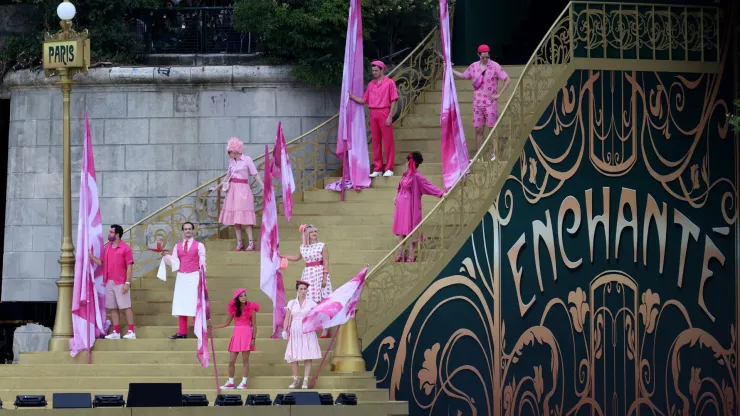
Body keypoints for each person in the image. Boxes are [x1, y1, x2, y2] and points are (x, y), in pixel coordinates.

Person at [450, 44, 511, 158]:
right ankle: (479, 155)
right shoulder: (474, 66)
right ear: (478, 55)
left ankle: (495, 153)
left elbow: (507, 79)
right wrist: (450, 69)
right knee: (478, 129)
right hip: (477, 103)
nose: (485, 59)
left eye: (487, 57)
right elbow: (463, 76)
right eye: (483, 57)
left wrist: (499, 94)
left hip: (490, 103)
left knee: (492, 128)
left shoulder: (495, 66)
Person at [212, 137, 264, 252]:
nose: (228, 154)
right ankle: (239, 243)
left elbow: (255, 174)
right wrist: (217, 187)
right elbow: (227, 176)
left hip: (243, 190)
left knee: (244, 216)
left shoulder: (247, 160)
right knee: (236, 218)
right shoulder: (231, 161)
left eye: (229, 151)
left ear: (235, 151)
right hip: (232, 191)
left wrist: (263, 185)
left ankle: (251, 243)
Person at [348, 60, 399, 178]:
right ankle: (378, 168)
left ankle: (389, 168)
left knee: (388, 141)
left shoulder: (390, 83)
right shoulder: (371, 84)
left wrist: (390, 116)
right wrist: (352, 97)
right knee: (375, 142)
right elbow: (364, 100)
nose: (374, 73)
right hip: (373, 113)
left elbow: (394, 100)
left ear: (382, 70)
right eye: (373, 71)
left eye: (376, 70)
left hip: (384, 112)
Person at [393, 152, 446, 262]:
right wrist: (396, 196)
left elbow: (428, 185)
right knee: (401, 229)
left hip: (410, 206)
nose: (406, 162)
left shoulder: (417, 176)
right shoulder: (406, 174)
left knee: (412, 228)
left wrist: (441, 193)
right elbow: (400, 187)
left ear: (410, 161)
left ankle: (413, 253)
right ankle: (400, 252)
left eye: (407, 160)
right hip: (401, 206)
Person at [282, 224, 332, 338]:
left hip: (319, 273)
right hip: (308, 274)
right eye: (311, 232)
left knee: (322, 301)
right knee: (308, 301)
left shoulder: (322, 246)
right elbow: (296, 258)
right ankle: (312, 326)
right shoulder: (303, 247)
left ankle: (326, 328)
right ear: (306, 234)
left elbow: (326, 262)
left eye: (315, 231)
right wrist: (282, 256)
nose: (314, 233)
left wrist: (324, 277)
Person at [89, 224, 137, 340]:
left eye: (111, 232)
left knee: (126, 306)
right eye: (109, 232)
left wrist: (127, 283)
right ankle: (116, 331)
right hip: (109, 282)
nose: (108, 234)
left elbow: (129, 267)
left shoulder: (126, 248)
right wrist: (91, 256)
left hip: (121, 282)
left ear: (117, 234)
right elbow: (102, 263)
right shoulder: (107, 248)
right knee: (113, 308)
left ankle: (131, 331)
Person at [161, 222, 207, 339]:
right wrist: (166, 256)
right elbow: (174, 263)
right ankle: (182, 332)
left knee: (194, 304)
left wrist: (202, 277)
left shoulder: (200, 245)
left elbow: (202, 262)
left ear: (193, 231)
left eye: (189, 229)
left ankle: (199, 330)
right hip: (181, 277)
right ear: (183, 231)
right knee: (181, 304)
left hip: (194, 276)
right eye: (185, 229)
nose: (187, 231)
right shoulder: (177, 246)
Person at [209, 288, 259, 390]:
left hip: (247, 334)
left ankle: (244, 382)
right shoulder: (234, 309)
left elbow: (254, 325)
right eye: (241, 296)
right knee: (231, 361)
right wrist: (213, 327)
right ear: (237, 298)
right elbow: (226, 323)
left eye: (245, 295)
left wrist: (253, 339)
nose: (244, 297)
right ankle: (230, 382)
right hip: (236, 335)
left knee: (245, 360)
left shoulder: (251, 308)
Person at [282, 281, 323, 389]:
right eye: (301, 289)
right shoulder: (291, 303)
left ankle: (305, 380)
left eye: (305, 289)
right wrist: (284, 330)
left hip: (307, 329)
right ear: (297, 290)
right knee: (293, 355)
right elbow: (287, 317)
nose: (303, 291)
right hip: (295, 330)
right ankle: (296, 379)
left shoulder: (311, 303)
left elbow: (318, 314)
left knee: (307, 355)